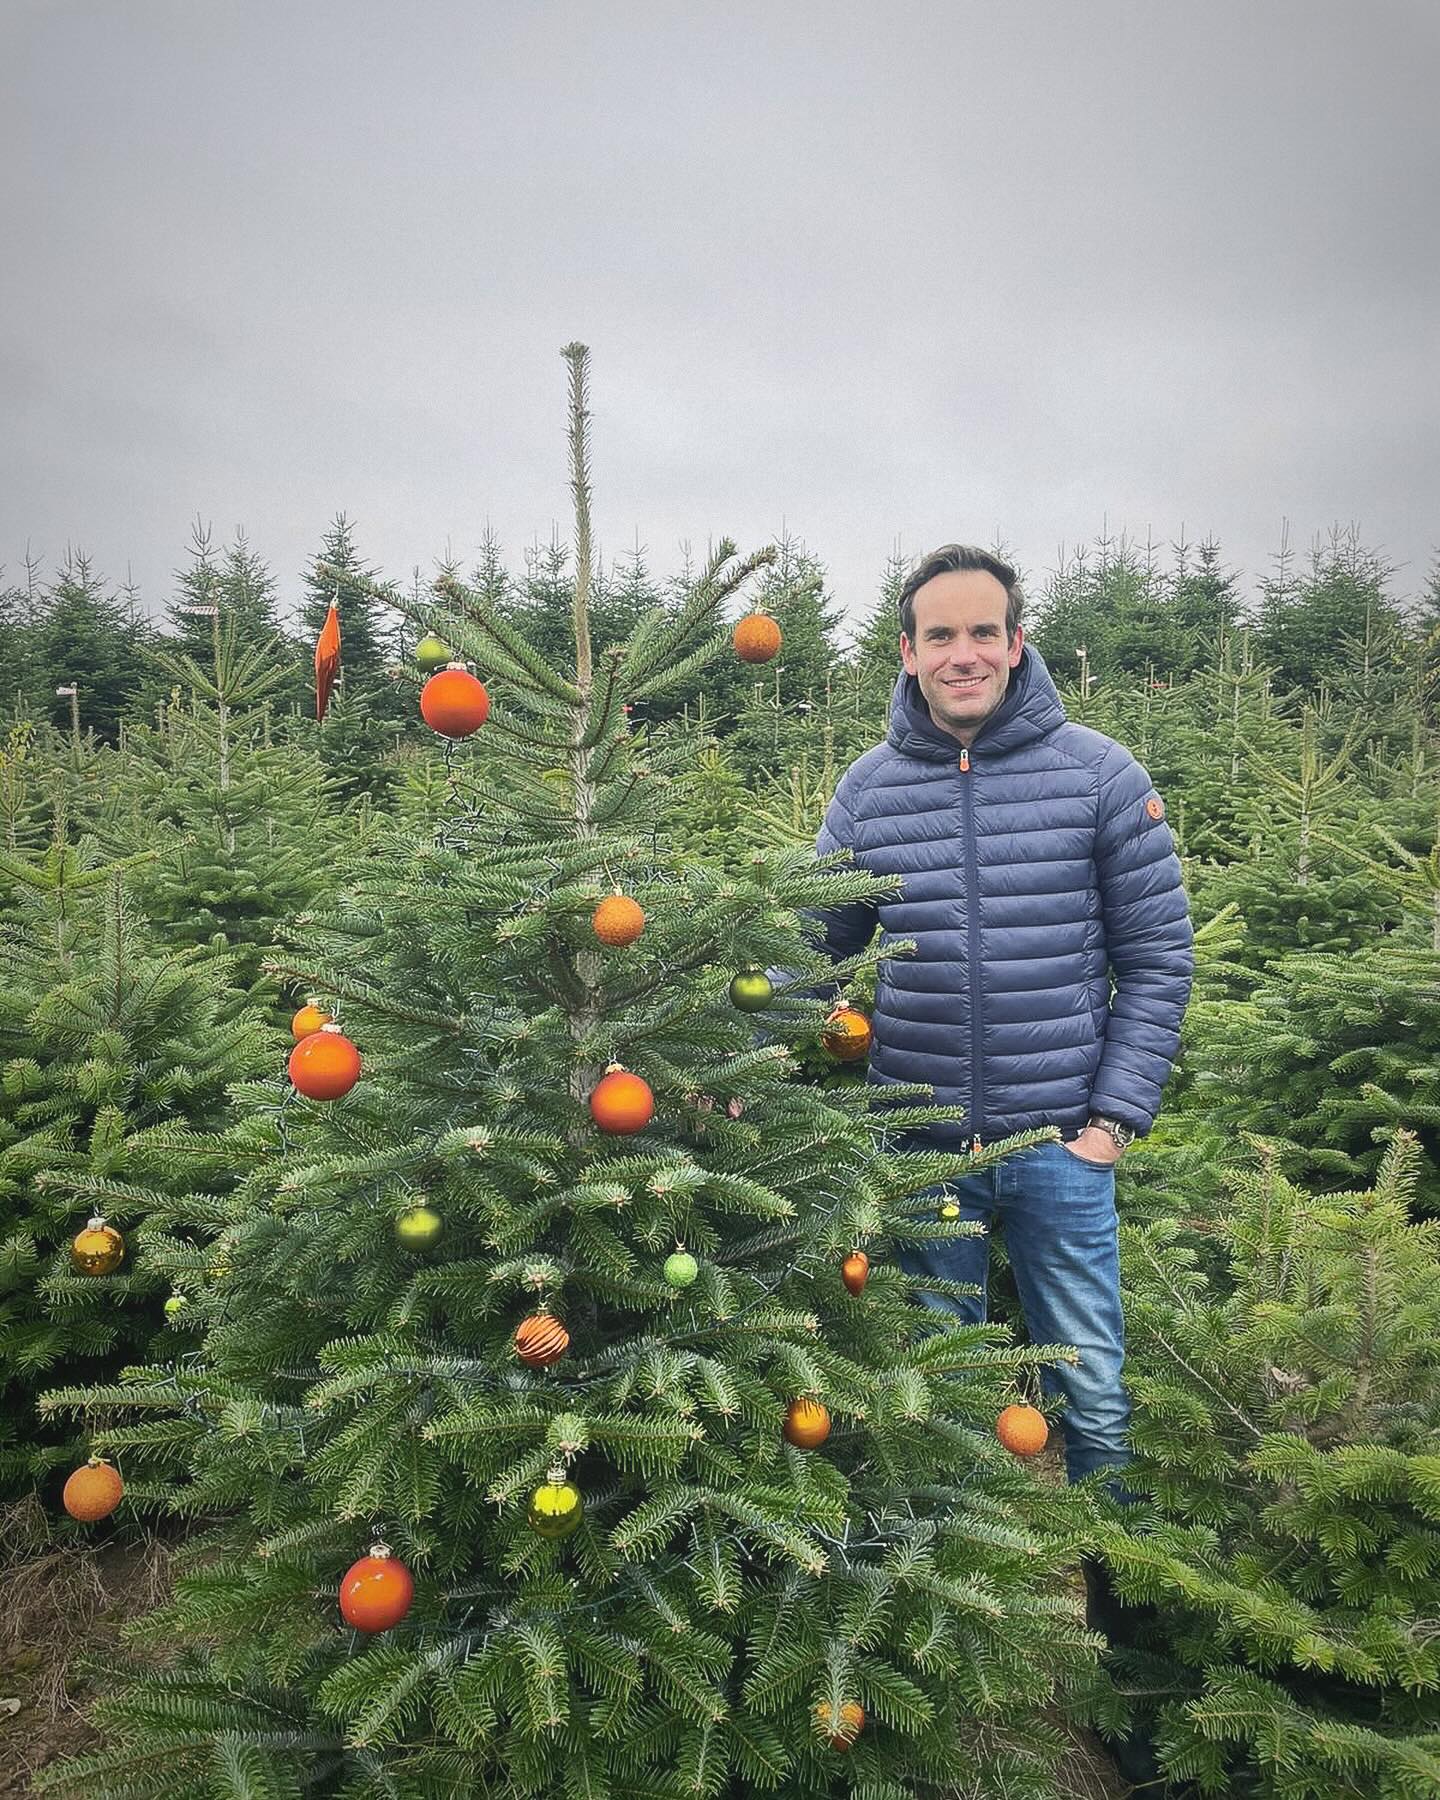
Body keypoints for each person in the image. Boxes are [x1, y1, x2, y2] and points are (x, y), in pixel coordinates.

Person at [812, 543, 1194, 1487]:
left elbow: (1156, 961)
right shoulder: (869, 790)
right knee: (937, 1390)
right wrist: (734, 1073)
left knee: (1091, 1382)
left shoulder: (1099, 775)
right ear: (908, 653)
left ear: (1017, 644)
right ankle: (957, 1606)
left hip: (1059, 1146)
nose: (963, 653)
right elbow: (804, 948)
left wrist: (1109, 1124)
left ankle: (1124, 1600)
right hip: (920, 1147)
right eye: (940, 635)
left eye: (984, 632)